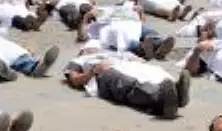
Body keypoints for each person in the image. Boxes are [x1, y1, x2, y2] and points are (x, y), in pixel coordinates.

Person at [63, 42, 191, 119]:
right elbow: (74, 80)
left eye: (96, 47)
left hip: (128, 64)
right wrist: (93, 71)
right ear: (82, 51)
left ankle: (175, 93)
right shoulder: (79, 60)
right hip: (103, 74)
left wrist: (137, 61)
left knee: (154, 72)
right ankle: (162, 100)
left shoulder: (112, 53)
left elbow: (140, 60)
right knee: (127, 83)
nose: (93, 49)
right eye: (88, 48)